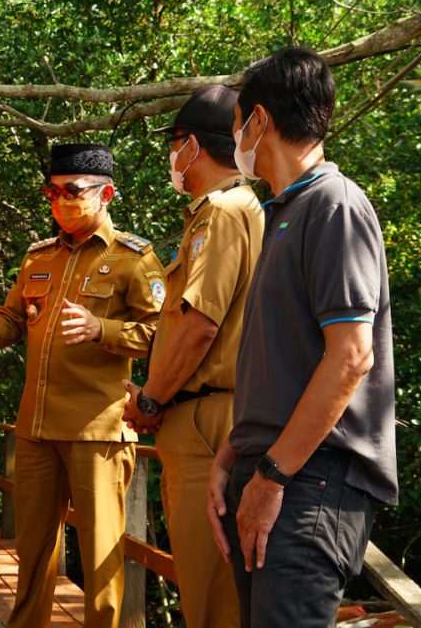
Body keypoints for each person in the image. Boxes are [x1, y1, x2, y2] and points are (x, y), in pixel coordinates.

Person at [205, 48, 397, 628]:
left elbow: (351, 358)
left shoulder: (335, 206)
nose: (234, 136)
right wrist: (232, 453)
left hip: (310, 480)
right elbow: (282, 361)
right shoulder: (284, 211)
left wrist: (272, 475)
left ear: (259, 120)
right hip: (273, 470)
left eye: (237, 121)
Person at [0, 144, 164, 628]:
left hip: (98, 432)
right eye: (52, 191)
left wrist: (102, 330)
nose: (59, 201)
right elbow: (12, 317)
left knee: (102, 561)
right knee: (32, 555)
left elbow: (163, 337)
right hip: (36, 429)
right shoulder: (38, 257)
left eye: (72, 191)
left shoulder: (136, 259)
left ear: (106, 193)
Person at [121, 85, 262, 628]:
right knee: (212, 587)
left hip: (204, 418)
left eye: (174, 143)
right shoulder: (232, 210)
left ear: (193, 148)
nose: (172, 157)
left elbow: (200, 326)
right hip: (206, 413)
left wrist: (152, 399)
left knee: (208, 593)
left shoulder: (222, 212)